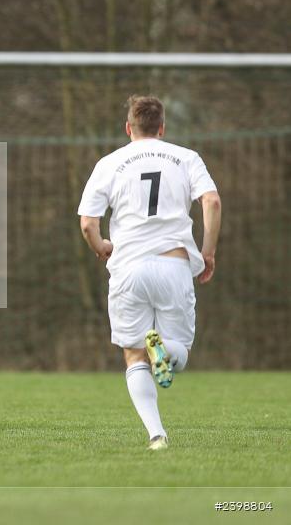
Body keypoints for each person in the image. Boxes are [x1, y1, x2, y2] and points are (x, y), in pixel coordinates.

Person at [77, 95, 221, 450]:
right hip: (173, 265)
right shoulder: (186, 157)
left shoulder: (110, 162)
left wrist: (100, 247)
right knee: (180, 351)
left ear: (129, 128)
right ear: (163, 128)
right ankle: (166, 349)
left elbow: (87, 224)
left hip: (128, 268)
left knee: (133, 353)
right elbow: (212, 201)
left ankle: (157, 435)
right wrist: (207, 252)